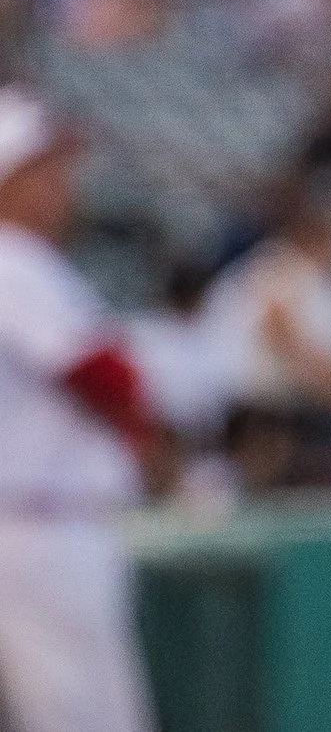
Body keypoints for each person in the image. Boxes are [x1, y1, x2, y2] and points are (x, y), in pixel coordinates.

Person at [0, 87, 161, 732]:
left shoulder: (33, 263)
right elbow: (105, 377)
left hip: (47, 525)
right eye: (46, 168)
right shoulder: (12, 260)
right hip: (38, 529)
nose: (65, 185)